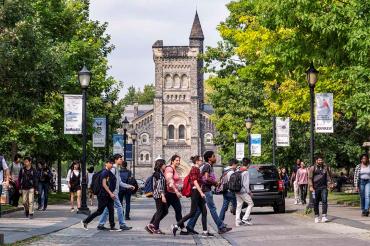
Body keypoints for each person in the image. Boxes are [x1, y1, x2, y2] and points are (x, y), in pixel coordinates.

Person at [186, 151, 232, 235]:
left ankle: (190, 226)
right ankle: (221, 227)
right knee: (213, 209)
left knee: (199, 210)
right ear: (209, 158)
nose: (215, 158)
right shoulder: (207, 166)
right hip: (206, 191)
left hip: (204, 190)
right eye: (214, 156)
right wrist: (215, 183)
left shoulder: (208, 166)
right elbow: (206, 178)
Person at [172, 155, 213, 237]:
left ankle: (205, 232)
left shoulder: (197, 169)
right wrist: (201, 192)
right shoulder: (194, 169)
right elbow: (195, 182)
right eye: (201, 160)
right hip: (195, 192)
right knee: (192, 213)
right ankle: (176, 226)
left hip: (197, 191)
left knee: (204, 211)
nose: (202, 162)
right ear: (197, 161)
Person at [81, 159, 121, 231]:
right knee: (100, 211)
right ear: (106, 163)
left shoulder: (108, 172)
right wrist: (111, 193)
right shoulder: (104, 173)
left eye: (112, 163)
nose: (111, 165)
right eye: (110, 163)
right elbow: (104, 184)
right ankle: (85, 221)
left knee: (111, 209)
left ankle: (112, 226)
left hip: (107, 195)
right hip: (103, 195)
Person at [97, 154, 134, 231]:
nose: (122, 160)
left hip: (113, 192)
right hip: (113, 192)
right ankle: (122, 224)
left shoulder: (116, 169)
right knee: (119, 207)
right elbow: (108, 182)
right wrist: (111, 192)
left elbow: (119, 182)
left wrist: (129, 186)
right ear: (116, 160)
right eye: (120, 159)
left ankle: (101, 224)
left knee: (107, 209)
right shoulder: (113, 169)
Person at [164, 155, 187, 235]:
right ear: (172, 161)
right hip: (169, 193)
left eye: (179, 160)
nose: (178, 162)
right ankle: (153, 224)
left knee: (178, 210)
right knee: (163, 211)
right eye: (177, 160)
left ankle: (183, 228)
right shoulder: (169, 168)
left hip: (173, 193)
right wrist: (176, 191)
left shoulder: (174, 169)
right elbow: (170, 181)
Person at [146, 158, 168, 234]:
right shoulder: (158, 174)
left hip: (158, 195)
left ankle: (154, 226)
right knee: (160, 211)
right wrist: (163, 196)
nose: (166, 165)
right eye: (164, 164)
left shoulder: (159, 173)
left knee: (164, 211)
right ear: (161, 165)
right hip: (159, 195)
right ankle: (153, 226)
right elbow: (159, 186)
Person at [308, 156, 333, 223]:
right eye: (319, 160)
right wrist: (311, 186)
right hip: (315, 188)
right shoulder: (313, 168)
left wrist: (330, 183)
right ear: (316, 161)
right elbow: (310, 178)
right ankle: (316, 216)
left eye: (321, 160)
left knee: (324, 200)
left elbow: (328, 176)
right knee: (316, 202)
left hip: (324, 187)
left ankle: (324, 216)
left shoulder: (325, 167)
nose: (320, 161)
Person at [235, 158, 254, 226]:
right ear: (248, 164)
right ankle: (245, 218)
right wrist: (249, 192)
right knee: (251, 204)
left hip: (237, 191)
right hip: (243, 191)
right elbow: (246, 184)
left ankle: (237, 222)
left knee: (239, 206)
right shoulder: (246, 172)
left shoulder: (238, 170)